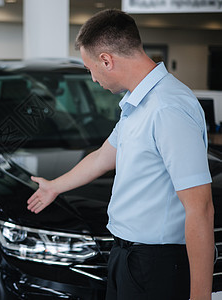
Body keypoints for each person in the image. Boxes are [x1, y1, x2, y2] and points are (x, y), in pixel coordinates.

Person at [27, 9, 214, 300]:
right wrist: (54, 186)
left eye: (90, 68)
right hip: (127, 257)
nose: (92, 78)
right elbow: (104, 156)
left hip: (156, 264)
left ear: (106, 60)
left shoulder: (168, 108)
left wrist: (200, 297)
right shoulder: (138, 103)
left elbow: (200, 209)